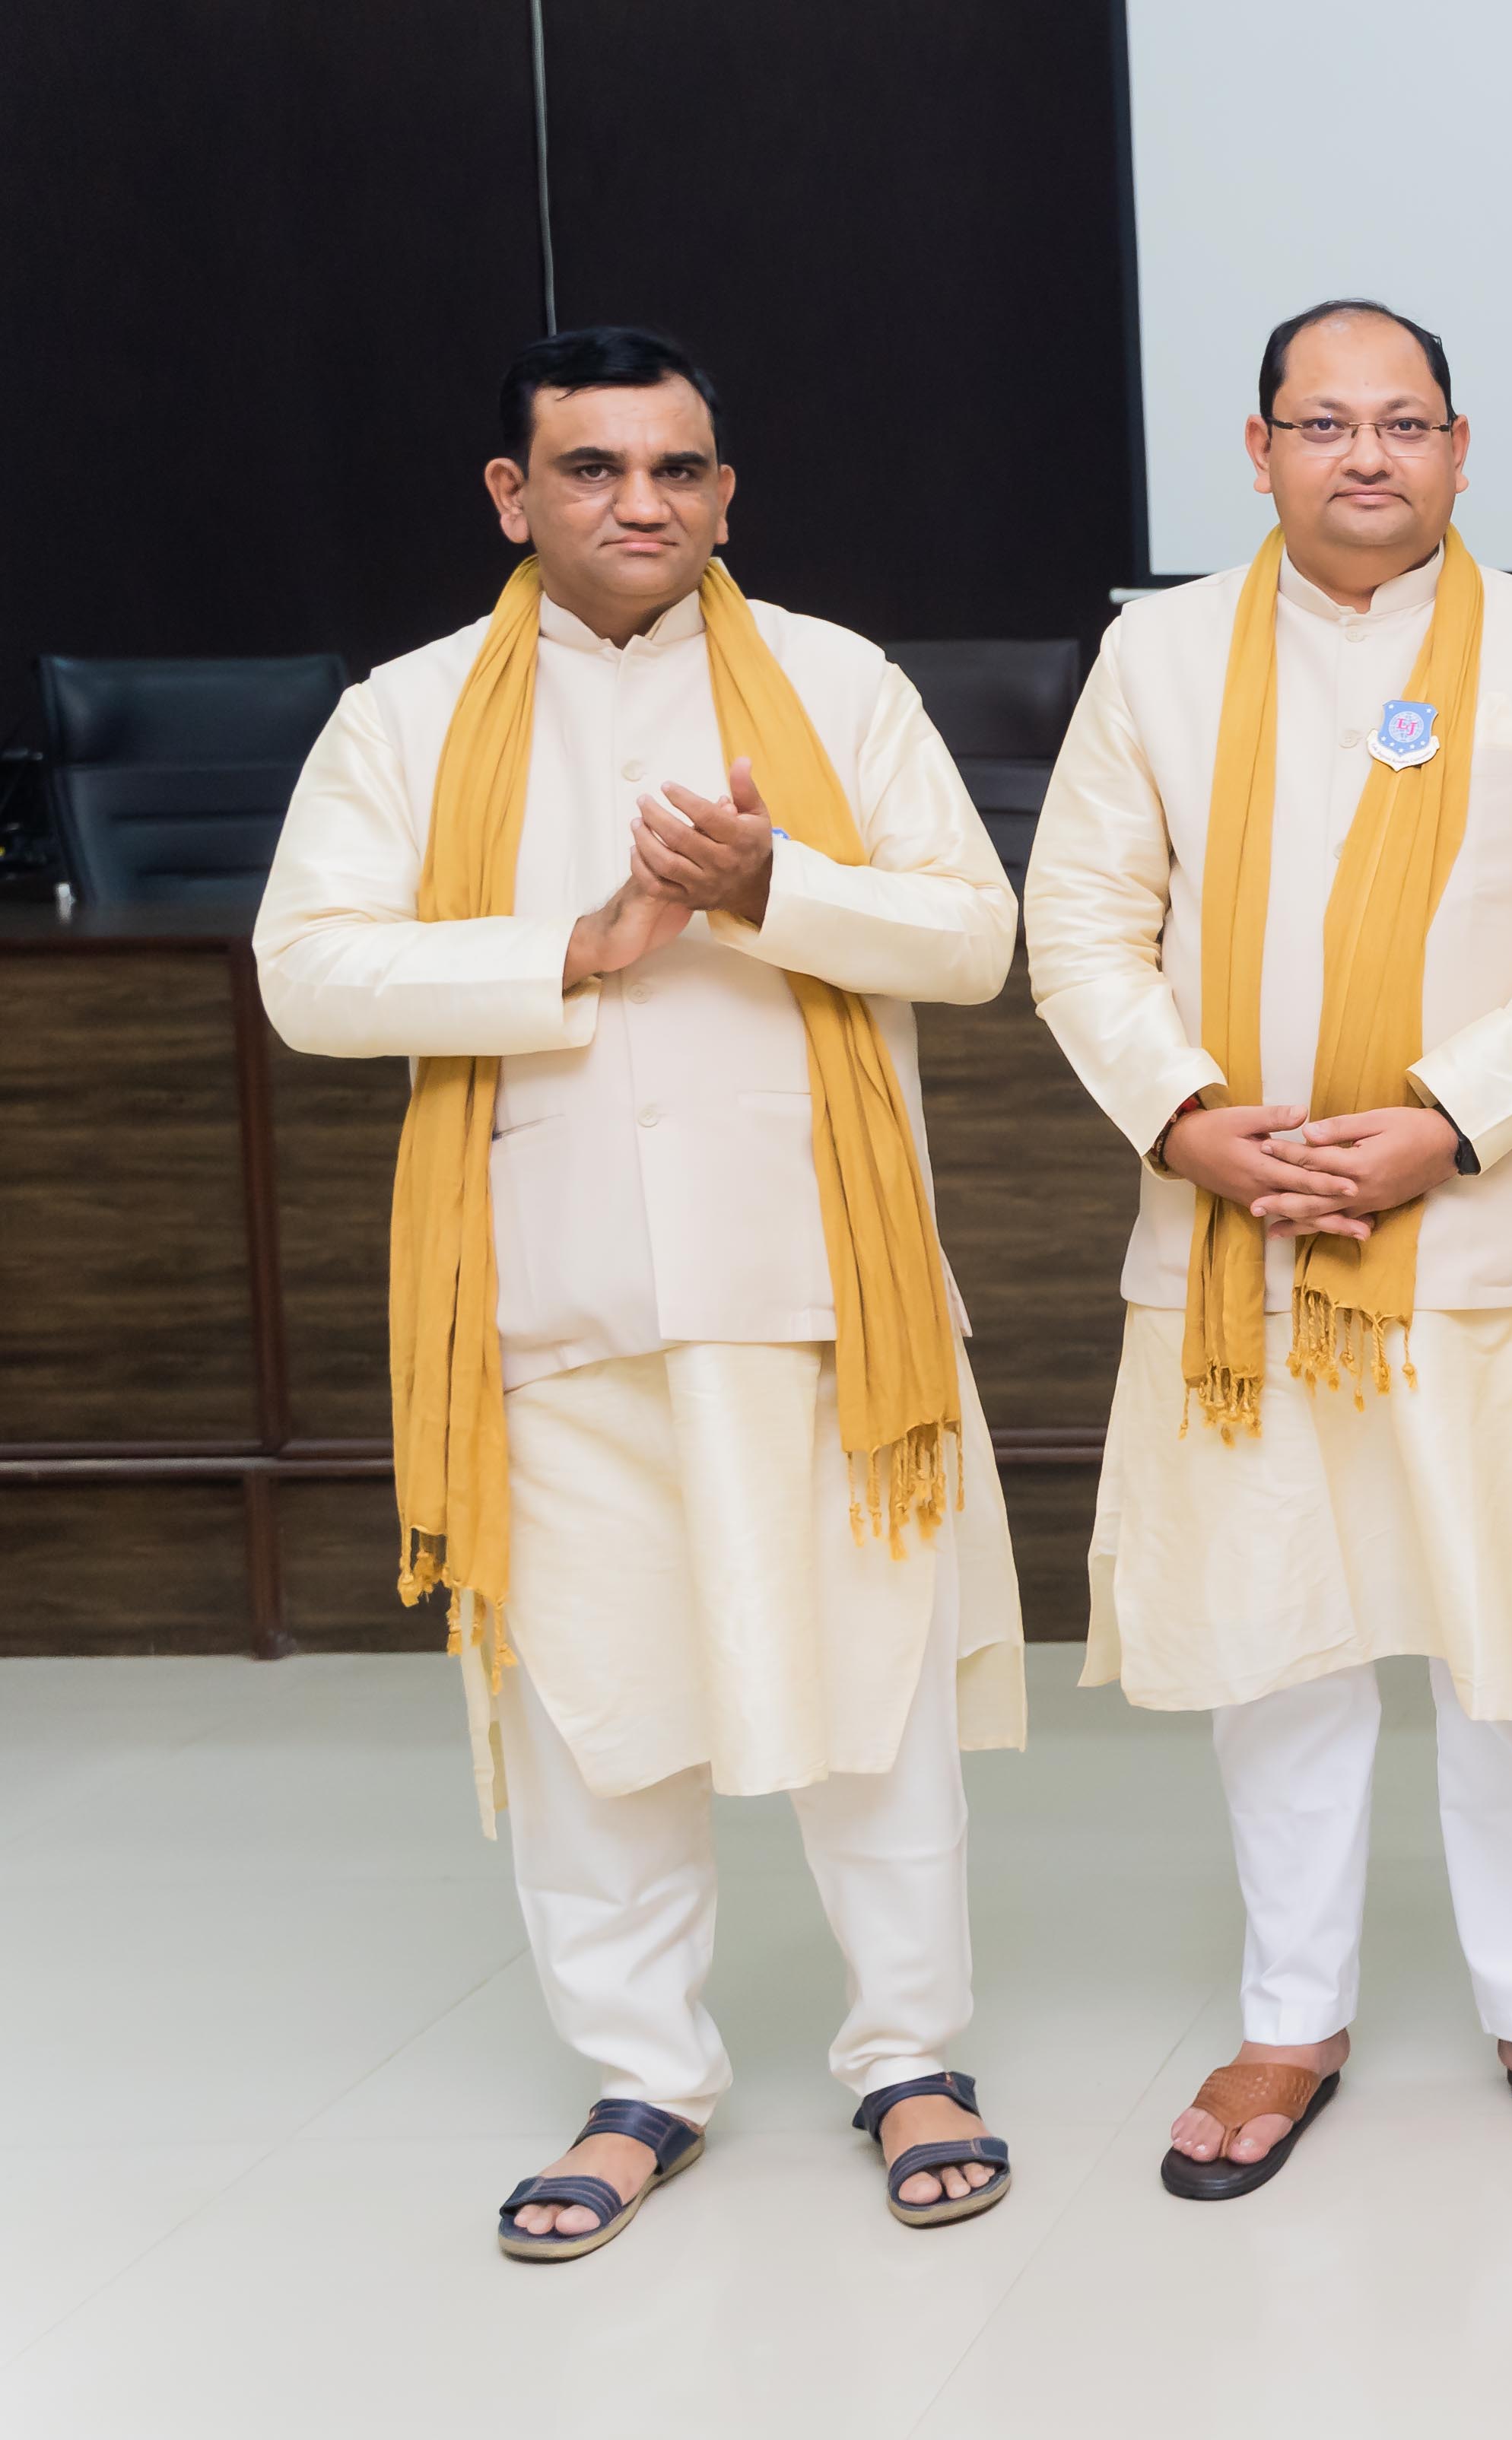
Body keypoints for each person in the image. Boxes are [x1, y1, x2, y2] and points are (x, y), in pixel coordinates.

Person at [256, 326, 1029, 2258]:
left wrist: (777, 891)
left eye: (678, 468)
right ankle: (641, 2079)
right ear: (512, 495)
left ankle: (909, 2055)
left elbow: (974, 935)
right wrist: (575, 945)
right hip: (550, 1295)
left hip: (820, 1291)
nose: (640, 502)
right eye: (592, 467)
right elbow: (308, 970)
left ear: (726, 495)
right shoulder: (407, 712)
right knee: (597, 1710)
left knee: (870, 1700)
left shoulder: (838, 681)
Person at [1025, 299, 1512, 2198]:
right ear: (1258, 452)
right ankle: (1289, 2012)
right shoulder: (1155, 656)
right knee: (1275, 1642)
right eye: (1324, 423)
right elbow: (1080, 922)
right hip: (1231, 1240)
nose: (1367, 455)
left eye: (1405, 422)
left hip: (1482, 1234)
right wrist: (1186, 1119)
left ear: (1461, 448)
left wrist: (1441, 1122)